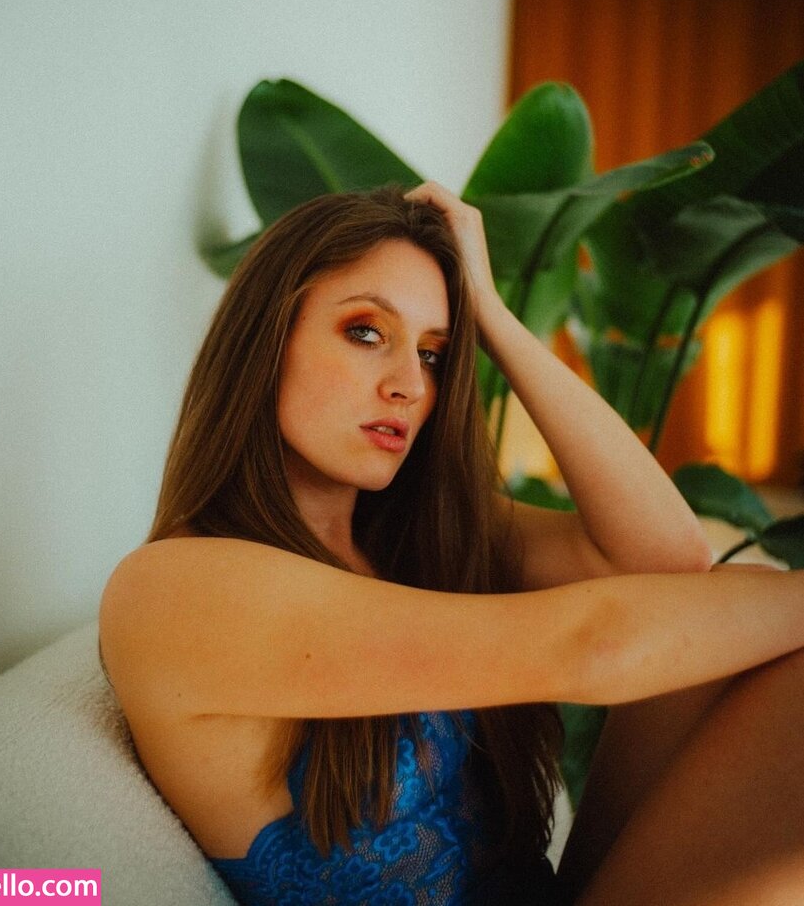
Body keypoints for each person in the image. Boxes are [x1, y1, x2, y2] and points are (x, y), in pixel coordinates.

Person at [100, 182, 804, 905]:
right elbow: (592, 646)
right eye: (366, 332)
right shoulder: (175, 589)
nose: (410, 385)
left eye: (434, 354)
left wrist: (491, 316)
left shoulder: (415, 536)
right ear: (265, 339)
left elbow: (666, 561)